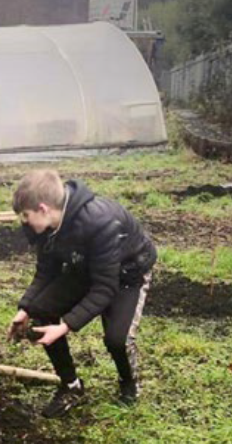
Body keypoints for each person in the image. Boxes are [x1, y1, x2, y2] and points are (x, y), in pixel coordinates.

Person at [8, 169, 157, 418]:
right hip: (87, 266)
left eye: (26, 215)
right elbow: (46, 272)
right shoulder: (45, 227)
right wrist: (25, 308)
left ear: (43, 208)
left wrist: (65, 326)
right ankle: (71, 386)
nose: (24, 222)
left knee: (117, 340)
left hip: (127, 275)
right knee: (41, 311)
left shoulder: (101, 223)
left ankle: (129, 386)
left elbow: (105, 288)